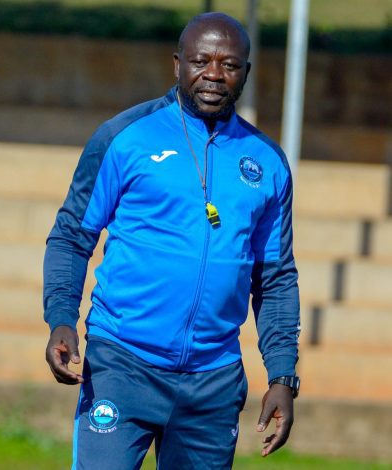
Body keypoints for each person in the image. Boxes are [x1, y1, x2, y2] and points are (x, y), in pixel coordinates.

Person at [43, 12, 300, 469]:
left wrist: (282, 374)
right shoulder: (124, 138)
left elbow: (276, 278)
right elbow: (70, 237)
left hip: (214, 381)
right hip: (121, 364)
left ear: (246, 71)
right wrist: (61, 317)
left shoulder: (268, 162)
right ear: (177, 63)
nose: (215, 75)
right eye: (201, 61)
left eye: (230, 65)